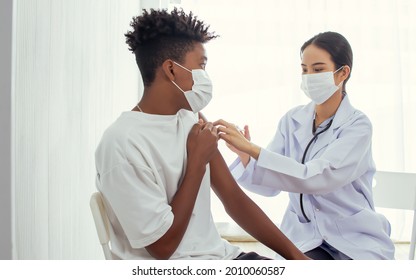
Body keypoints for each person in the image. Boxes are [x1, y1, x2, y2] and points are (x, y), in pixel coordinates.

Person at [95, 8, 308, 260]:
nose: (206, 77)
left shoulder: (190, 118)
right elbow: (162, 249)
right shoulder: (122, 143)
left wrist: (297, 257)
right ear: (171, 70)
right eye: (201, 66)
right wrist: (196, 161)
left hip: (221, 257)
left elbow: (233, 198)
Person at [214, 31, 395, 260]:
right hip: (304, 237)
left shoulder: (358, 126)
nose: (309, 76)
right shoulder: (292, 120)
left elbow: (318, 177)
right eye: (304, 69)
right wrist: (245, 156)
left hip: (353, 238)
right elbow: (270, 185)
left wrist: (254, 149)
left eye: (318, 70)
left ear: (343, 73)